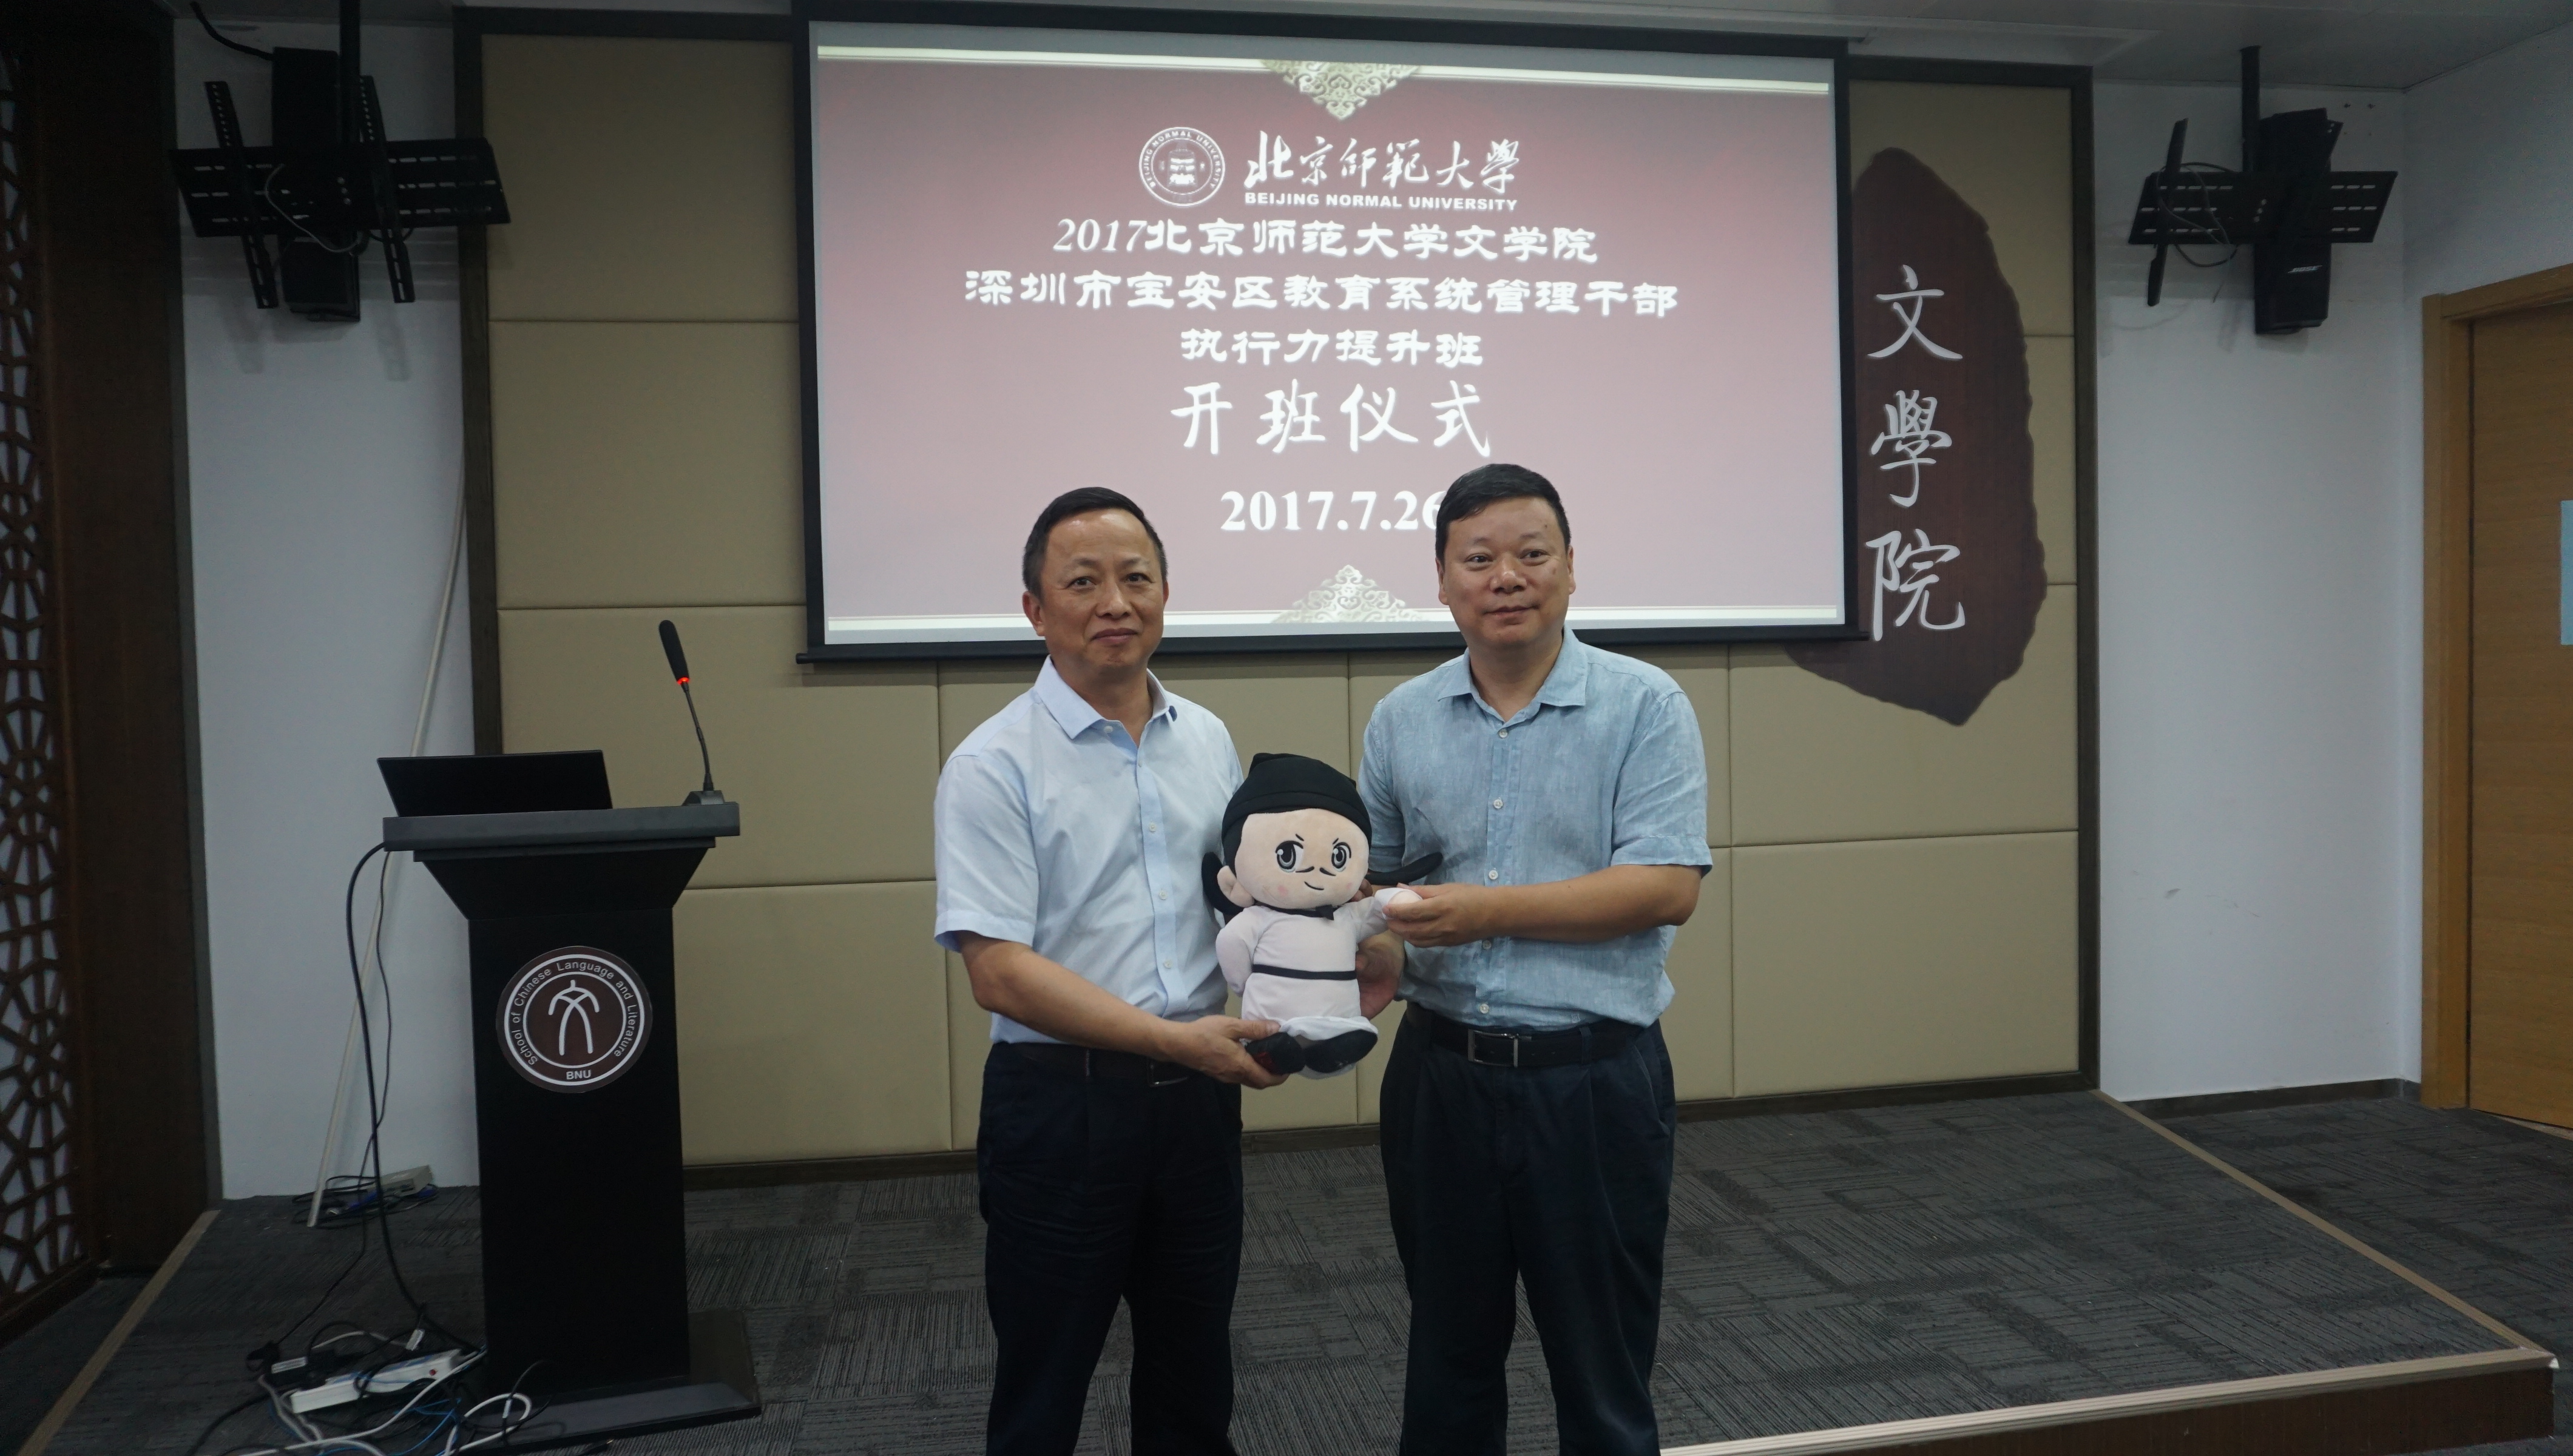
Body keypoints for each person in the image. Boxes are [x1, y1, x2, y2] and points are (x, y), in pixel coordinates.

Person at [1356, 463, 1712, 1456]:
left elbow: (1665, 887)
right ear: (1442, 580)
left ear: (1570, 567)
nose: (1506, 577)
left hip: (1591, 1084)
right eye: (1478, 559)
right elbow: (1374, 885)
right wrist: (1366, 951)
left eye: (1531, 554)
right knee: (1448, 1361)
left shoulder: (1645, 705)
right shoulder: (1400, 719)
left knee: (1602, 1371)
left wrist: (1486, 913)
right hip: (1441, 1079)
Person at [933, 487, 1285, 1456]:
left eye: (1137, 578)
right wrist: (1175, 1041)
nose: (1115, 603)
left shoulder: (1206, 738)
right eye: (1083, 583)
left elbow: (1243, 903)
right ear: (1035, 610)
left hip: (1197, 1109)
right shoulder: (992, 764)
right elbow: (1000, 973)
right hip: (1061, 1109)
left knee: (1193, 1381)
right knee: (1044, 1388)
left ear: (1167, 593)